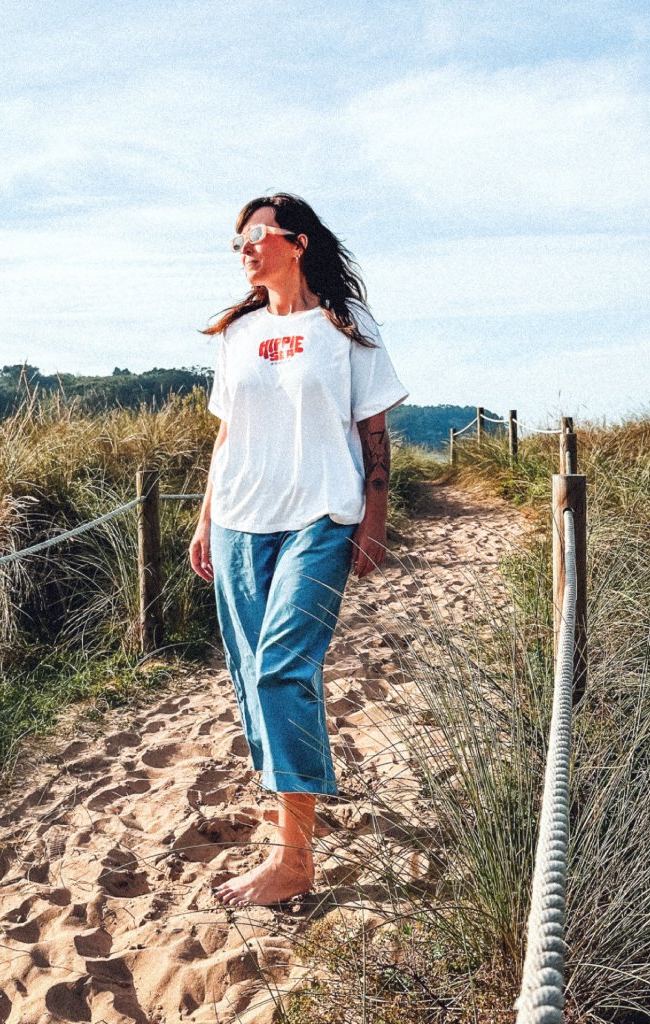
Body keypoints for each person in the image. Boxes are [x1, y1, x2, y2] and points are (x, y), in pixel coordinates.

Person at [188, 193, 408, 908]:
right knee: (253, 674)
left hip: (322, 516)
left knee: (284, 668)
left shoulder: (346, 325)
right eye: (238, 241)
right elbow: (227, 435)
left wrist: (374, 516)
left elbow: (373, 430)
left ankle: (293, 860)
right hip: (240, 520)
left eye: (257, 235)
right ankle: (290, 814)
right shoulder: (239, 333)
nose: (245, 248)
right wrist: (205, 520)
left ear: (299, 242)